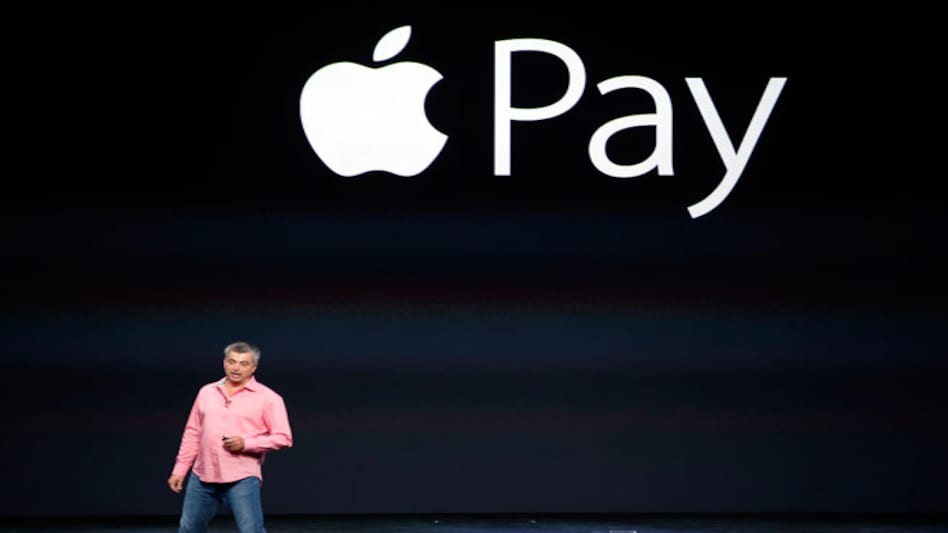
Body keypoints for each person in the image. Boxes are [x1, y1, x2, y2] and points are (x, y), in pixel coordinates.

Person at [168, 341, 293, 533]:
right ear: (224, 363)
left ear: (254, 367)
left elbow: (284, 437)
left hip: (241, 476)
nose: (236, 368)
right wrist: (180, 469)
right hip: (202, 475)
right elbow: (193, 432)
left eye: (244, 364)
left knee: (252, 531)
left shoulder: (268, 398)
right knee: (188, 530)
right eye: (232, 361)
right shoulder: (207, 392)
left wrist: (247, 444)